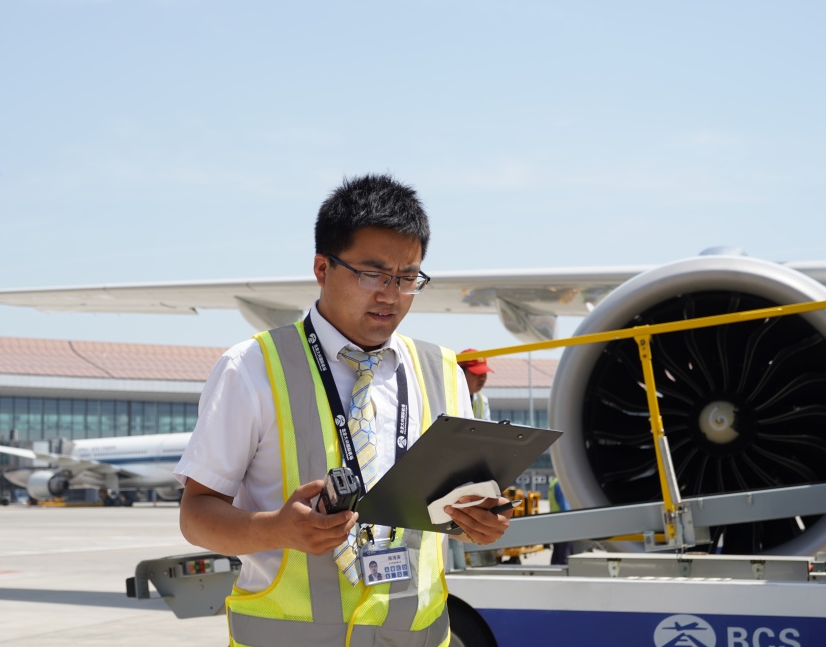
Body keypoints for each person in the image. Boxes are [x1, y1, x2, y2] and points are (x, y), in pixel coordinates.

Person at [175, 174, 512, 647]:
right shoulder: (250, 368)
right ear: (322, 267)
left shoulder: (443, 371)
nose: (390, 294)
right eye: (372, 274)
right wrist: (278, 530)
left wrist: (480, 521)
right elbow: (196, 515)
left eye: (408, 277)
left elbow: (452, 506)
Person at [458, 349, 493, 420]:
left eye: (484, 373)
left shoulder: (482, 401)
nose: (482, 378)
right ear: (460, 373)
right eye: (476, 373)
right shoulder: (448, 397)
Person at [548, 476, 572, 565]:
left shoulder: (554, 481)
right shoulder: (561, 483)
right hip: (563, 523)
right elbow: (565, 507)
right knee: (564, 555)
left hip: (555, 522)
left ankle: (554, 574)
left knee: (557, 553)